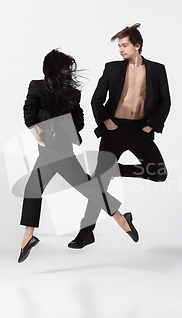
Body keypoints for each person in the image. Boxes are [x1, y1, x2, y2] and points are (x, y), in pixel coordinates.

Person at [18, 49, 136, 263]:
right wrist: (39, 133)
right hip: (48, 151)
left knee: (41, 188)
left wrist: (62, 122)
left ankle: (27, 238)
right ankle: (122, 219)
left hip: (61, 151)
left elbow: (79, 121)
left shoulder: (71, 92)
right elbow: (29, 115)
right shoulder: (37, 86)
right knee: (85, 188)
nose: (67, 74)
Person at [68, 23, 171, 249]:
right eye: (119, 46)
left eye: (124, 45)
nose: (120, 50)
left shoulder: (157, 70)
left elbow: (165, 102)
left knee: (159, 173)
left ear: (138, 45)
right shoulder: (113, 68)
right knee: (98, 184)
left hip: (140, 129)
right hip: (115, 129)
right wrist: (106, 121)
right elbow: (96, 99)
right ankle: (86, 233)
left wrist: (151, 127)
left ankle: (117, 170)